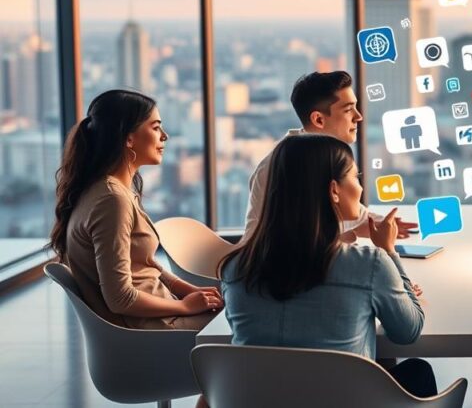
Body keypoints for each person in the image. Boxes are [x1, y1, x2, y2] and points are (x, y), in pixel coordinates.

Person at [219, 135, 437, 397]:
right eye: (356, 177)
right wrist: (389, 251)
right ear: (334, 190)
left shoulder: (235, 269)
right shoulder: (370, 265)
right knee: (418, 372)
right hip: (344, 400)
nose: (360, 188)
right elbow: (408, 332)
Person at [49, 90, 223, 330]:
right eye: (155, 127)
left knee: (243, 310)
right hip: (154, 327)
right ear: (128, 139)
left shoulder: (105, 190)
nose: (165, 136)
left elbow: (143, 264)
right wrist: (184, 306)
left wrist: (189, 291)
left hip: (159, 314)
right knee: (249, 318)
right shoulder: (111, 200)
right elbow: (120, 298)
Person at [243, 71, 414, 242]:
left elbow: (351, 218)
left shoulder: (320, 156)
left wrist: (379, 224)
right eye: (348, 110)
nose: (358, 116)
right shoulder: (288, 165)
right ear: (318, 119)